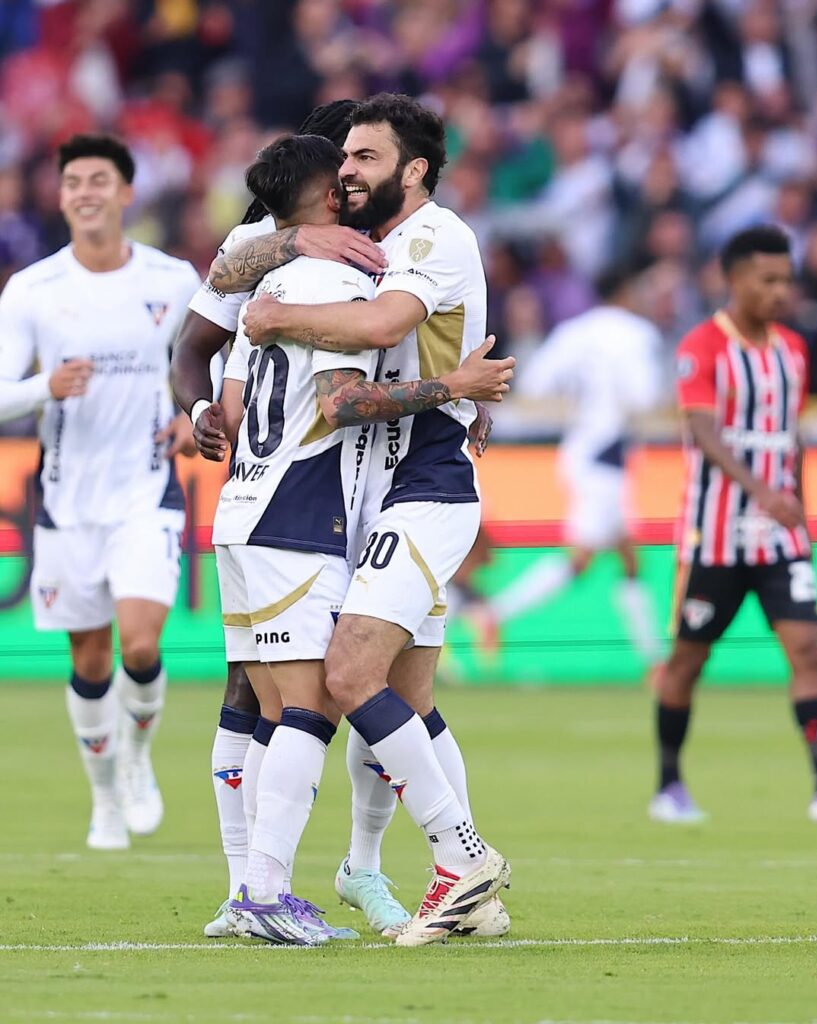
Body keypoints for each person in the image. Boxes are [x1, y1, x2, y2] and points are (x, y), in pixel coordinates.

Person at [215, 93, 513, 946]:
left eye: (365, 157)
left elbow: (381, 326)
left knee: (346, 675)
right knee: (403, 696)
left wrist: (276, 314)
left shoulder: (433, 235)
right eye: (342, 158)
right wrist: (294, 244)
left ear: (414, 170)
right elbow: (225, 273)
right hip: (367, 489)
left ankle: (458, 858)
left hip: (424, 480)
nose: (347, 170)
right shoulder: (348, 243)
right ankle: (442, 887)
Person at [171, 98, 386, 938]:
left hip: (244, 505)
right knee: (308, 705)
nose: (356, 179)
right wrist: (456, 388)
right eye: (348, 166)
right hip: (297, 508)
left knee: (273, 705)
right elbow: (340, 401)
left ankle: (250, 894)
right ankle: (261, 891)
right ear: (330, 184)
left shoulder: (271, 277)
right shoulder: (330, 274)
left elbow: (227, 353)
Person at [0, 134, 201, 849]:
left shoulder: (173, 280)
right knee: (89, 659)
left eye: (98, 180)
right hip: (67, 503)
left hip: (145, 492)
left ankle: (138, 760)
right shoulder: (33, 290)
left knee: (140, 645)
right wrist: (44, 387)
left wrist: (196, 415)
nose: (85, 192)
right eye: (73, 182)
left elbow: (210, 363)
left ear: (126, 193)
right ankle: (105, 796)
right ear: (60, 198)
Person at [650, 225, 817, 824]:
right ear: (735, 279)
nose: (780, 292)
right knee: (688, 662)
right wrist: (762, 492)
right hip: (715, 537)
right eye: (767, 280)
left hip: (780, 538)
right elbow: (702, 431)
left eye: (786, 281)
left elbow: (790, 438)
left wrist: (797, 507)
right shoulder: (703, 345)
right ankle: (669, 784)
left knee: (808, 650)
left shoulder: (793, 350)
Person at [461, 268, 664, 665]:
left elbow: (536, 382)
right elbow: (643, 397)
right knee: (580, 560)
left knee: (628, 558)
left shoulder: (574, 331)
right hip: (607, 454)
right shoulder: (637, 334)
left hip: (579, 448)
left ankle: (654, 659)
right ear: (626, 290)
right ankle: (494, 613)